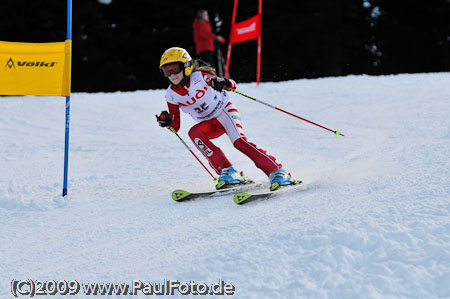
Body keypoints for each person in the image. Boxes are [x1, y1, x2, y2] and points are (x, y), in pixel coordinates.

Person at [156, 47, 297, 191]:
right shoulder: (171, 95)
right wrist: (166, 122)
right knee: (194, 134)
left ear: (186, 67)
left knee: (239, 142)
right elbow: (175, 126)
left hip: (224, 112)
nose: (172, 75)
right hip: (208, 124)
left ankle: (278, 171)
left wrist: (224, 83)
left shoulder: (199, 77)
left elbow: (231, 84)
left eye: (174, 69)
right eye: (167, 71)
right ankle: (229, 172)